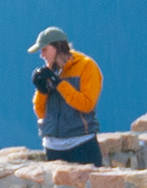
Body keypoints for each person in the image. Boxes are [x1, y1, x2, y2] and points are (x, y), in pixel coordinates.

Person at [29, 26, 103, 163]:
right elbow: (41, 113)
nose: (41, 55)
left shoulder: (86, 66)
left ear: (57, 47)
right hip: (53, 147)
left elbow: (87, 104)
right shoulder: (49, 72)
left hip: (82, 143)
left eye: (44, 49)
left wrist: (59, 84)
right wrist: (42, 90)